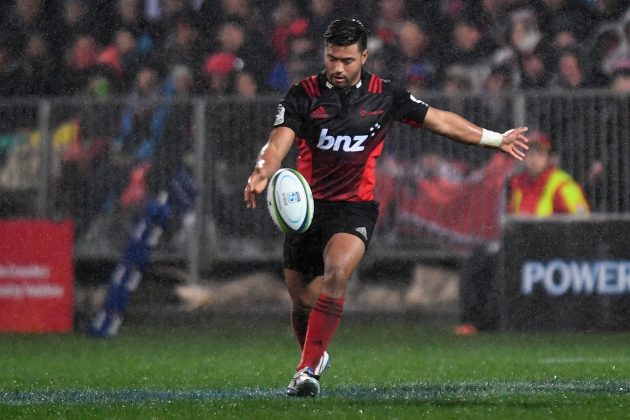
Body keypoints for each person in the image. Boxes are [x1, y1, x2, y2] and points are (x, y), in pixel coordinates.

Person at [243, 19, 529, 397]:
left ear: (363, 57)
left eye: (346, 60)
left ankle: (306, 370)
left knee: (338, 271)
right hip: (308, 208)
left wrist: (495, 139)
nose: (338, 68)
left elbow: (440, 120)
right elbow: (278, 141)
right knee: (301, 300)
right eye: (332, 59)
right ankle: (313, 354)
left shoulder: (385, 95)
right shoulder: (303, 94)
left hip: (355, 207)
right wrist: (263, 170)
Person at [507, 131, 590, 216]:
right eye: (529, 153)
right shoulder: (517, 183)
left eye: (540, 153)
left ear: (548, 157)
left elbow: (582, 219)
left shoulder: (562, 185)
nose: (534, 159)